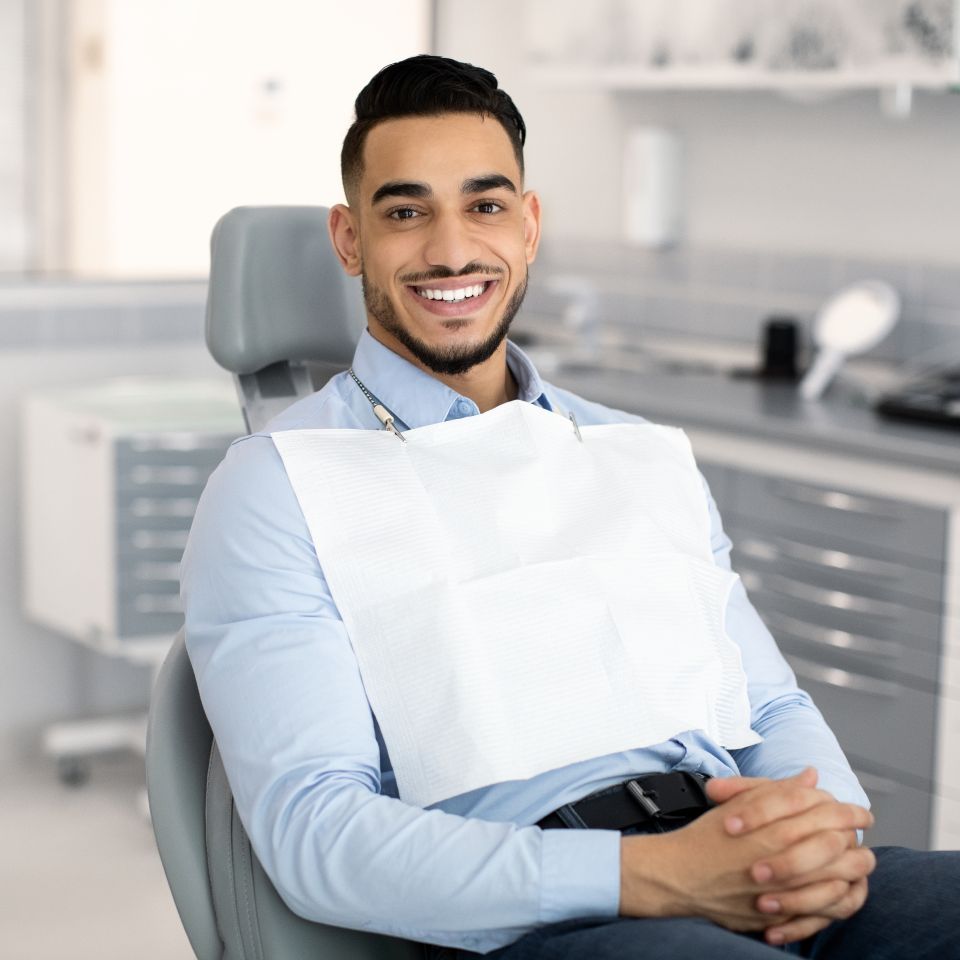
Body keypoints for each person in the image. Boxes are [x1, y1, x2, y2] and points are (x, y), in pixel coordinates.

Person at [181, 55, 959, 960]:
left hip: (737, 859)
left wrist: (819, 839)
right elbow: (315, 833)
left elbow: (769, 706)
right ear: (350, 241)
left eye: (485, 204)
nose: (450, 250)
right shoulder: (278, 484)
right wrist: (649, 880)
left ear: (530, 224)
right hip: (552, 915)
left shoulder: (635, 451)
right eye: (404, 212)